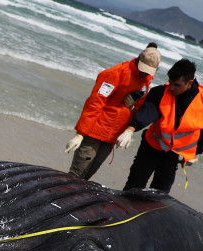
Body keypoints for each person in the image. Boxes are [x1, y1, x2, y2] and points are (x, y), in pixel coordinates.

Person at [117, 58, 203, 193]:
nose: (171, 88)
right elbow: (148, 112)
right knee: (133, 186)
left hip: (173, 156)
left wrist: (195, 153)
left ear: (189, 83)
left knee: (159, 195)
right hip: (151, 147)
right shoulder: (159, 92)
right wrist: (130, 130)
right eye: (170, 83)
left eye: (177, 85)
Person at [65, 43, 161, 180]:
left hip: (111, 137)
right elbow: (95, 103)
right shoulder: (115, 74)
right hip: (94, 132)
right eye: (144, 69)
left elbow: (138, 110)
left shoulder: (145, 82)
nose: (145, 73)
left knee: (87, 176)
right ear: (138, 59)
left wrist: (131, 112)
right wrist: (80, 134)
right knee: (77, 175)